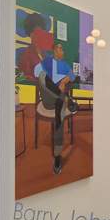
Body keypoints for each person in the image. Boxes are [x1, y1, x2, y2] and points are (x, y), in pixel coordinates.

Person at [34, 42, 79, 175]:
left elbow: (73, 76)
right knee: (42, 75)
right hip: (48, 100)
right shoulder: (46, 62)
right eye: (60, 49)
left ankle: (57, 155)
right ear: (54, 50)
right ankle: (68, 100)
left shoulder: (64, 65)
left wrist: (64, 81)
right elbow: (36, 73)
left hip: (59, 101)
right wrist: (43, 59)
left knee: (60, 116)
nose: (63, 51)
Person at [17, 12, 48, 82]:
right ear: (31, 35)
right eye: (38, 33)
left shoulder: (42, 52)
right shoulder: (27, 54)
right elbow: (26, 78)